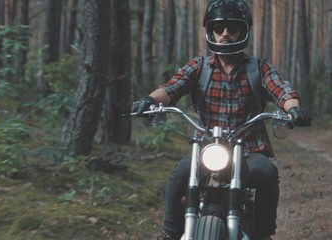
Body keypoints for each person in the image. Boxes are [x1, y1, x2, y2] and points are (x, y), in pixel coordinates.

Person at [130, 0, 312, 240]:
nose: (225, 33)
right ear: (211, 32)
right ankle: (170, 234)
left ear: (242, 30)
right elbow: (173, 87)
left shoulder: (259, 68)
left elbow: (281, 90)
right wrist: (149, 100)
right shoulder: (199, 66)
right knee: (181, 173)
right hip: (208, 149)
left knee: (266, 172)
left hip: (249, 151)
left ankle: (263, 234)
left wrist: (294, 109)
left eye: (232, 27)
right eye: (219, 28)